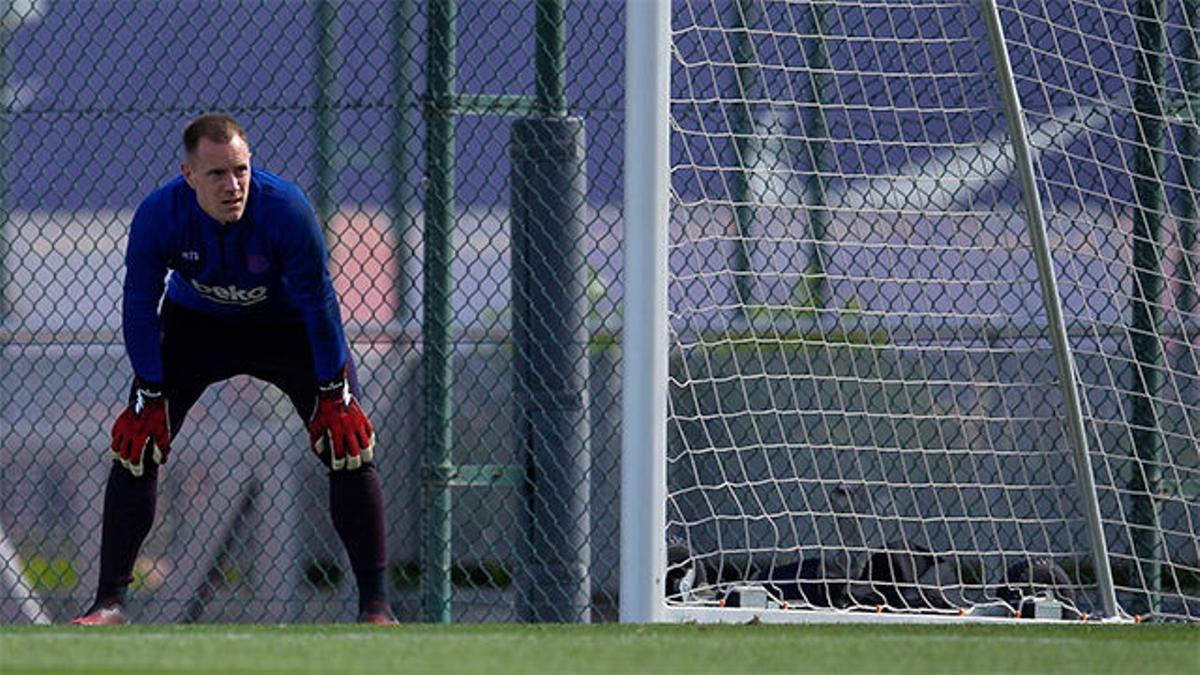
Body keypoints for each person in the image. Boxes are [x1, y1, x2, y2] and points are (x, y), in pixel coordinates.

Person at [71, 113, 396, 625]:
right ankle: (109, 602)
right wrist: (150, 393)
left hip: (284, 327)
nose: (233, 185)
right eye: (217, 174)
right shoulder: (159, 215)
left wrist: (335, 391)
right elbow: (138, 307)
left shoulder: (287, 208)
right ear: (188, 174)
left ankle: (376, 607)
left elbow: (319, 301)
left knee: (349, 444)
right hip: (197, 327)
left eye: (241, 170)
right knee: (137, 446)